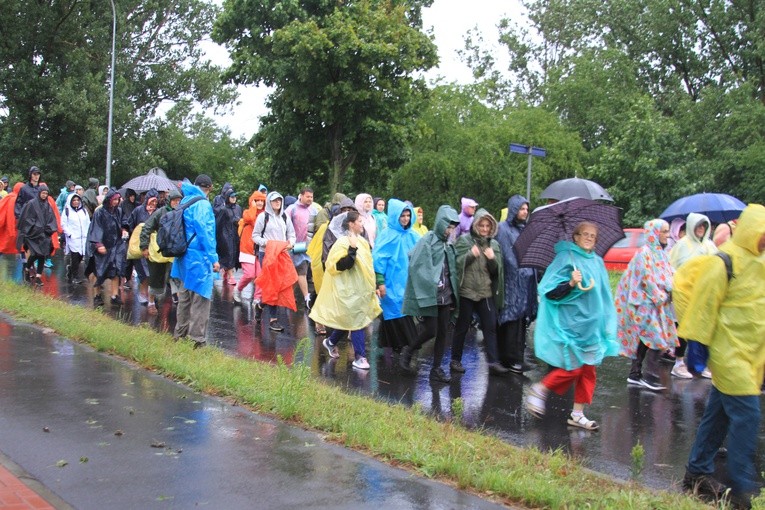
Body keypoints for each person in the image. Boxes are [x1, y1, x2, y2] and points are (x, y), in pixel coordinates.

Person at [680, 204, 765, 509]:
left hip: (751, 354)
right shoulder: (724, 261)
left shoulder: (761, 262)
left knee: (718, 415)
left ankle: (697, 471)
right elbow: (703, 305)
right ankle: (742, 489)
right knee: (747, 415)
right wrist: (697, 346)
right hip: (728, 354)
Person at [525, 221, 618, 430]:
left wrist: (606, 322)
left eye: (592, 236)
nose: (588, 238)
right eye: (584, 234)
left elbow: (604, 295)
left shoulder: (597, 262)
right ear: (575, 237)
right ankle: (540, 389)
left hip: (591, 328)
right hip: (570, 327)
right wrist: (570, 283)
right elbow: (549, 291)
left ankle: (577, 414)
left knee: (588, 371)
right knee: (572, 369)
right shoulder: (566, 258)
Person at [311, 210, 382, 370]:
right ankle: (360, 357)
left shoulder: (363, 242)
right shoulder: (342, 243)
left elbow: (368, 266)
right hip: (348, 291)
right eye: (360, 221)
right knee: (356, 322)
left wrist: (375, 285)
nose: (362, 224)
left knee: (349, 321)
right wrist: (351, 250)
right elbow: (338, 265)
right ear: (351, 224)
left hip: (360, 290)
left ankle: (330, 342)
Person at [400, 205, 460, 383]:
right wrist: (430, 284)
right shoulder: (428, 240)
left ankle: (436, 368)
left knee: (443, 332)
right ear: (441, 223)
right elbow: (417, 265)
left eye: (452, 227)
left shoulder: (449, 245)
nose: (450, 230)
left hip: (446, 295)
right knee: (430, 330)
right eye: (448, 226)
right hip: (432, 295)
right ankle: (409, 350)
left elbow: (452, 270)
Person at [616, 219, 678, 391]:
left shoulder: (661, 253)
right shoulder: (644, 254)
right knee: (657, 339)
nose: (668, 235)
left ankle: (635, 374)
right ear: (655, 233)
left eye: (667, 231)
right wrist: (660, 296)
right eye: (664, 231)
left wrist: (672, 289)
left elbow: (668, 275)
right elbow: (646, 279)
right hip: (644, 304)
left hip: (656, 305)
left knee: (645, 339)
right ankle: (650, 377)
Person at [450, 208, 507, 376]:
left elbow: (497, 272)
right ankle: (455, 360)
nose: (484, 229)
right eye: (481, 225)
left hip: (485, 292)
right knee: (462, 326)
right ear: (475, 225)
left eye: (487, 226)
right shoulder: (465, 241)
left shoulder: (494, 245)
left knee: (490, 327)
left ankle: (493, 362)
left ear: (491, 228)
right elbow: (456, 264)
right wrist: (470, 255)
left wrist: (492, 259)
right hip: (467, 292)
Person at [171, 175, 219, 347]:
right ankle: (197, 340)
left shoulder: (185, 200)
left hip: (183, 256)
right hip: (199, 258)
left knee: (184, 297)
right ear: (210, 188)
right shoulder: (203, 204)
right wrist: (213, 258)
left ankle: (180, 334)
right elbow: (205, 233)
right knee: (200, 299)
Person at [669, 212, 717, 379]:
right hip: (684, 294)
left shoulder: (710, 246)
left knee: (704, 329)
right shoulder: (682, 245)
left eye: (704, 225)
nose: (701, 228)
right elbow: (670, 267)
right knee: (683, 328)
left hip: (704, 295)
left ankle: (702, 364)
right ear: (691, 226)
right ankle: (679, 362)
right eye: (698, 225)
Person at [372, 199, 421, 355]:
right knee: (395, 311)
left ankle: (392, 344)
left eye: (408, 215)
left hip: (408, 283)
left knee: (402, 312)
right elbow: (378, 261)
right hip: (391, 282)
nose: (406, 219)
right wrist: (380, 283)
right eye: (402, 216)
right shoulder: (387, 236)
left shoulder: (413, 235)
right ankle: (407, 345)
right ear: (396, 217)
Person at [496, 195, 538, 374]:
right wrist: (521, 270)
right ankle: (508, 358)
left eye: (527, 209)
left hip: (525, 281)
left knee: (521, 320)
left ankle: (517, 357)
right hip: (511, 281)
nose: (525, 212)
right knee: (510, 319)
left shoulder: (524, 229)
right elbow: (506, 255)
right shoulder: (504, 229)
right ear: (514, 209)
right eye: (522, 209)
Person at [252, 191, 295, 332]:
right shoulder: (263, 217)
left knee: (279, 285)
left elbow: (291, 234)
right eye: (274, 200)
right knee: (272, 285)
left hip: (282, 254)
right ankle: (273, 319)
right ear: (269, 202)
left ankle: (260, 305)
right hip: (267, 254)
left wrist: (291, 243)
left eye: (279, 200)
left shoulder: (285, 217)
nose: (277, 203)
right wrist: (269, 243)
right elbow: (255, 236)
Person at [139, 186, 183, 314]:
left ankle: (178, 299)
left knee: (175, 276)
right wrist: (144, 247)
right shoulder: (160, 212)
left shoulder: (181, 213)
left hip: (174, 251)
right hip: (158, 250)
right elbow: (147, 227)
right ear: (169, 200)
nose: (177, 203)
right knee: (155, 277)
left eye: (179, 200)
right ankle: (151, 302)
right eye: (174, 200)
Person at [85, 188, 127, 306]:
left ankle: (114, 295)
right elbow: (95, 229)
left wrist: (124, 229)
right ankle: (97, 295)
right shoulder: (100, 212)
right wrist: (98, 244)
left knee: (116, 270)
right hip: (102, 246)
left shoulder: (118, 211)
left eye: (117, 200)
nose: (116, 202)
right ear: (109, 199)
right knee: (98, 271)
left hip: (115, 245)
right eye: (114, 200)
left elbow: (124, 222)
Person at [16, 184, 58, 285]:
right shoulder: (31, 204)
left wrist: (49, 229)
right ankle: (27, 269)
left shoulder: (48, 205)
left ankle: (38, 276)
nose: (44, 195)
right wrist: (35, 228)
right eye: (43, 193)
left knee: (42, 255)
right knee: (35, 254)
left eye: (46, 193)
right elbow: (27, 218)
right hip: (33, 234)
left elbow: (52, 219)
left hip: (44, 234)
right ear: (39, 193)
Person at [233, 190, 267, 309]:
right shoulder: (247, 212)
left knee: (259, 275)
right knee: (249, 274)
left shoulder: (266, 215)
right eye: (256, 200)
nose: (259, 203)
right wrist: (253, 207)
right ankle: (238, 289)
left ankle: (257, 299)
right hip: (247, 249)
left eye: (262, 201)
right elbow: (251, 219)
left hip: (260, 249)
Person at [285, 187, 317, 310]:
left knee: (299, 273)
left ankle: (295, 296)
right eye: (308, 196)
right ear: (301, 196)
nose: (310, 199)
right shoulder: (291, 209)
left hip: (307, 247)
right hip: (293, 246)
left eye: (312, 197)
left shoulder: (313, 210)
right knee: (298, 273)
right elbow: (284, 225)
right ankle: (303, 297)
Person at [126, 188, 159, 304]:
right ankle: (143, 292)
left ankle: (151, 297)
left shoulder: (158, 212)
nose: (154, 204)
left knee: (152, 272)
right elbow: (130, 224)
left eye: (156, 201)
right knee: (143, 273)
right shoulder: (138, 210)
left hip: (153, 247)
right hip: (140, 246)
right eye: (152, 201)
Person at [214, 186, 242, 284]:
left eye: (235, 196)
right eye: (231, 197)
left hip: (235, 235)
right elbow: (218, 224)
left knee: (234, 254)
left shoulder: (238, 208)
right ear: (227, 198)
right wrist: (219, 237)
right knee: (229, 254)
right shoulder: (223, 209)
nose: (234, 198)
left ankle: (227, 271)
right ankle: (231, 275)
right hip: (225, 236)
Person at [62, 193, 91, 284]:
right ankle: (75, 276)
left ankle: (71, 269)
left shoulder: (84, 211)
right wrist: (69, 234)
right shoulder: (67, 211)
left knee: (80, 256)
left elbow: (88, 222)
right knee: (74, 256)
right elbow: (63, 224)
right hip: (73, 238)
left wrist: (88, 234)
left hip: (83, 238)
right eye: (74, 200)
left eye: (78, 200)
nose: (76, 202)